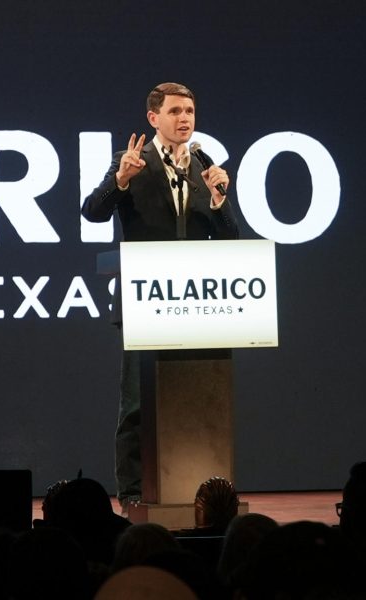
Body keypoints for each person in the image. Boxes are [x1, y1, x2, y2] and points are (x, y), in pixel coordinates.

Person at [81, 82, 240, 514]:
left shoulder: (205, 165)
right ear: (154, 118)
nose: (184, 118)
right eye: (174, 111)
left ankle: (201, 490)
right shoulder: (132, 161)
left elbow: (231, 239)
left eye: (189, 110)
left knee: (195, 396)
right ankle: (132, 491)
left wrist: (221, 199)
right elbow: (92, 211)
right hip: (146, 299)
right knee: (137, 403)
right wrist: (120, 181)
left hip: (195, 303)